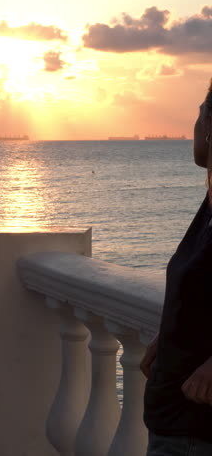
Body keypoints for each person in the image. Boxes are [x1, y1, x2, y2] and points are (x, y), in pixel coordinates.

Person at [141, 81, 212, 456]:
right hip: (174, 418)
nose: (194, 127)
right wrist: (168, 337)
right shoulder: (209, 204)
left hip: (195, 429)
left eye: (199, 114)